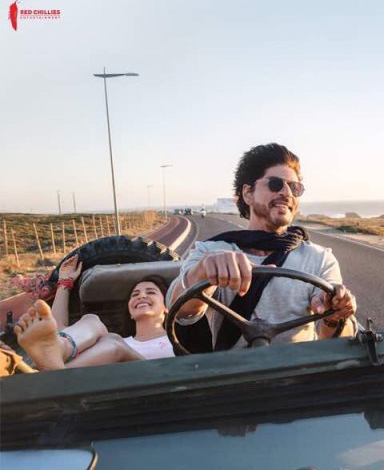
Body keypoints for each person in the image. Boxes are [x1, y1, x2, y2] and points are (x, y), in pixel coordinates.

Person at [168, 143, 357, 351]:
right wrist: (203, 272)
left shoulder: (319, 258)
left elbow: (337, 345)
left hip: (300, 370)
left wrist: (335, 314)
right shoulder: (210, 252)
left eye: (295, 187)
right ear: (248, 193)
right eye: (275, 184)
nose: (287, 193)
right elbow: (180, 312)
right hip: (234, 370)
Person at [12, 275, 174, 371]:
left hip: (160, 384)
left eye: (151, 292)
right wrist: (64, 283)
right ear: (130, 312)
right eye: (135, 295)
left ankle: (58, 373)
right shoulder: (118, 342)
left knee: (113, 341)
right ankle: (61, 352)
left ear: (167, 306)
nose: (141, 296)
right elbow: (57, 328)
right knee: (92, 320)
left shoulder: (176, 340)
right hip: (109, 387)